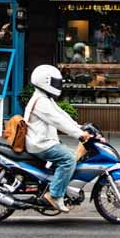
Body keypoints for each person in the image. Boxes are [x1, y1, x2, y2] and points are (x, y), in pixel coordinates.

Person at [25, 64, 90, 213]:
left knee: (66, 154)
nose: (57, 85)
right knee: (68, 159)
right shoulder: (41, 102)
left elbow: (61, 115)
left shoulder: (45, 98)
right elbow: (58, 122)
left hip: (43, 140)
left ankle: (54, 184)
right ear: (45, 82)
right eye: (54, 82)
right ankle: (54, 195)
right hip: (41, 144)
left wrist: (78, 127)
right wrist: (78, 134)